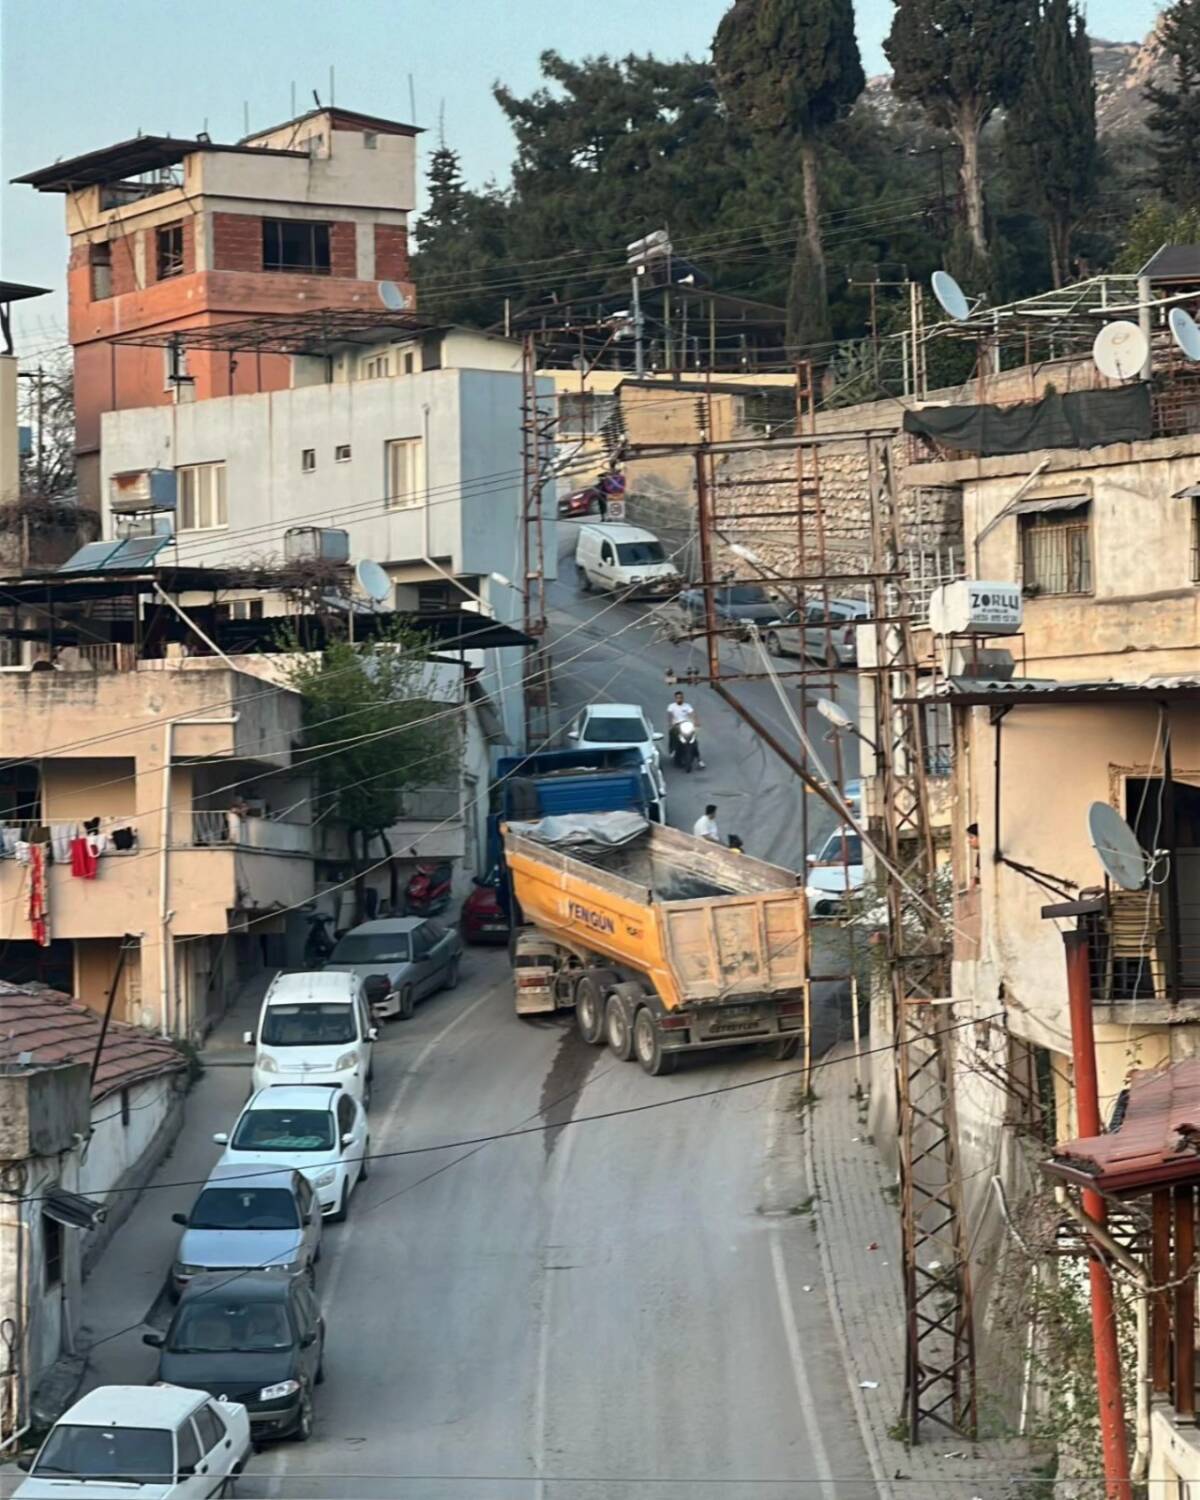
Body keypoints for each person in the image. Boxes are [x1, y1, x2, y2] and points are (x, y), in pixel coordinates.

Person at [666, 690, 705, 768]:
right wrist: (670, 723)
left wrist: (696, 722)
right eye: (678, 698)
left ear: (683, 698)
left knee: (694, 741)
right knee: (672, 734)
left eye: (681, 697)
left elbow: (693, 714)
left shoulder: (687, 706)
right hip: (676, 725)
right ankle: (673, 750)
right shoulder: (671, 706)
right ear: (675, 698)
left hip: (686, 724)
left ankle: (699, 760)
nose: (679, 699)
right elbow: (670, 715)